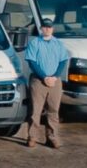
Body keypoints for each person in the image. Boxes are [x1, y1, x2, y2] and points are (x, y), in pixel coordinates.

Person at [19, 15, 71, 149]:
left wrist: (54, 76)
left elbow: (63, 61)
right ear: (41, 28)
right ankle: (32, 137)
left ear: (52, 29)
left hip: (55, 81)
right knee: (35, 110)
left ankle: (52, 137)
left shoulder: (59, 43)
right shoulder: (34, 43)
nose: (47, 29)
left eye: (49, 27)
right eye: (44, 27)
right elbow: (32, 61)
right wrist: (44, 77)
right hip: (38, 80)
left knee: (53, 110)